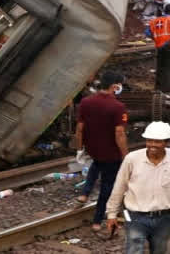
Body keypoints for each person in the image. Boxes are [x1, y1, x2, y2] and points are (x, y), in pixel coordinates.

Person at [105, 121, 170, 254]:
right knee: (134, 247)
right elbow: (119, 186)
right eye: (150, 141)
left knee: (159, 249)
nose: (152, 145)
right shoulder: (132, 159)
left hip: (164, 216)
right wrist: (111, 213)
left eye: (158, 141)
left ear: (167, 143)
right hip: (134, 215)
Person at [75, 72, 129, 232]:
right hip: (111, 152)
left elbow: (79, 128)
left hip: (93, 148)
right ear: (114, 86)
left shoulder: (85, 102)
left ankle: (84, 193)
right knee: (107, 186)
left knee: (97, 164)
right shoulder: (118, 107)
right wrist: (125, 154)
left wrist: (79, 148)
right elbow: (119, 133)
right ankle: (97, 221)